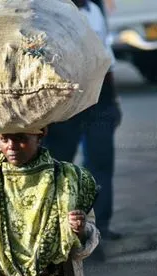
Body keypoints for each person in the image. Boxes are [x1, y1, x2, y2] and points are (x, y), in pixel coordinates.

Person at [0, 129, 100, 276]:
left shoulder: (68, 179)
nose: (11, 146)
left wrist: (79, 230)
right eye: (4, 139)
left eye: (20, 139)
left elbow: (85, 241)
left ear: (40, 136)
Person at [44, 0, 122, 241]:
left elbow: (105, 58)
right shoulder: (48, 12)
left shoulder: (94, 8)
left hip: (99, 103)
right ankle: (52, 231)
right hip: (65, 104)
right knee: (55, 168)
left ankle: (100, 228)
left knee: (100, 165)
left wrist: (112, 104)